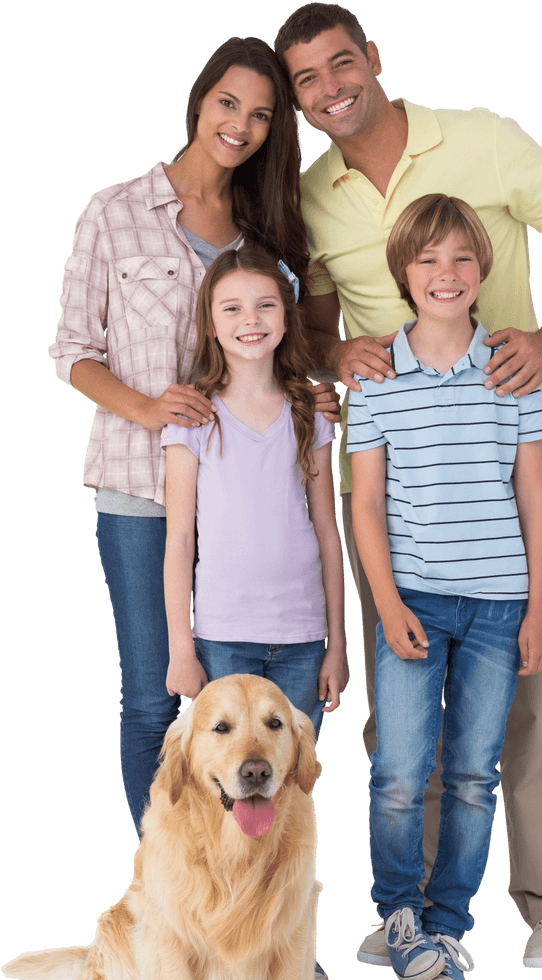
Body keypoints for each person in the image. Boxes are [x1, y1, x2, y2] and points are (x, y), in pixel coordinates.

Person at [274, 3, 542, 967]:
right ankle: (420, 916)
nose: (328, 88)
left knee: (533, 698)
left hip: (504, 470)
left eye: (341, 64)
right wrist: (335, 344)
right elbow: (303, 328)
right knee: (409, 715)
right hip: (396, 482)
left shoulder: (483, 139)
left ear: (373, 59)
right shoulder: (309, 196)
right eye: (305, 79)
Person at [49, 37, 340, 841]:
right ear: (197, 99)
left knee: (248, 713)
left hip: (256, 495)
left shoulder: (271, 223)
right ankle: (166, 891)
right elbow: (72, 350)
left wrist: (313, 383)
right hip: (146, 488)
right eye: (227, 104)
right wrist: (149, 409)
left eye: (261, 116)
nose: (240, 127)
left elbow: (304, 335)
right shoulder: (114, 212)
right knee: (158, 695)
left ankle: (251, 893)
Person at [348, 193, 542, 980]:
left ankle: (447, 923)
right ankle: (399, 913)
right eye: (429, 259)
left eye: (463, 258)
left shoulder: (512, 371)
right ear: (403, 272)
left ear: (483, 271)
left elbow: (534, 494)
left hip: (501, 606)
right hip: (417, 602)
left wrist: (538, 605)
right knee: (400, 769)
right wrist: (390, 603)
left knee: (473, 771)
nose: (447, 273)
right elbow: (364, 502)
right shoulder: (376, 376)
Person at [162, 247, 349, 738]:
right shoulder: (194, 415)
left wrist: (337, 644)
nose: (252, 319)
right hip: (223, 637)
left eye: (266, 304)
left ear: (288, 317)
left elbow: (328, 531)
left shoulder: (309, 409)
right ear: (209, 323)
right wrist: (182, 648)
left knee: (290, 787)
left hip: (304, 637)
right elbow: (180, 538)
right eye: (232, 308)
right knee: (230, 783)